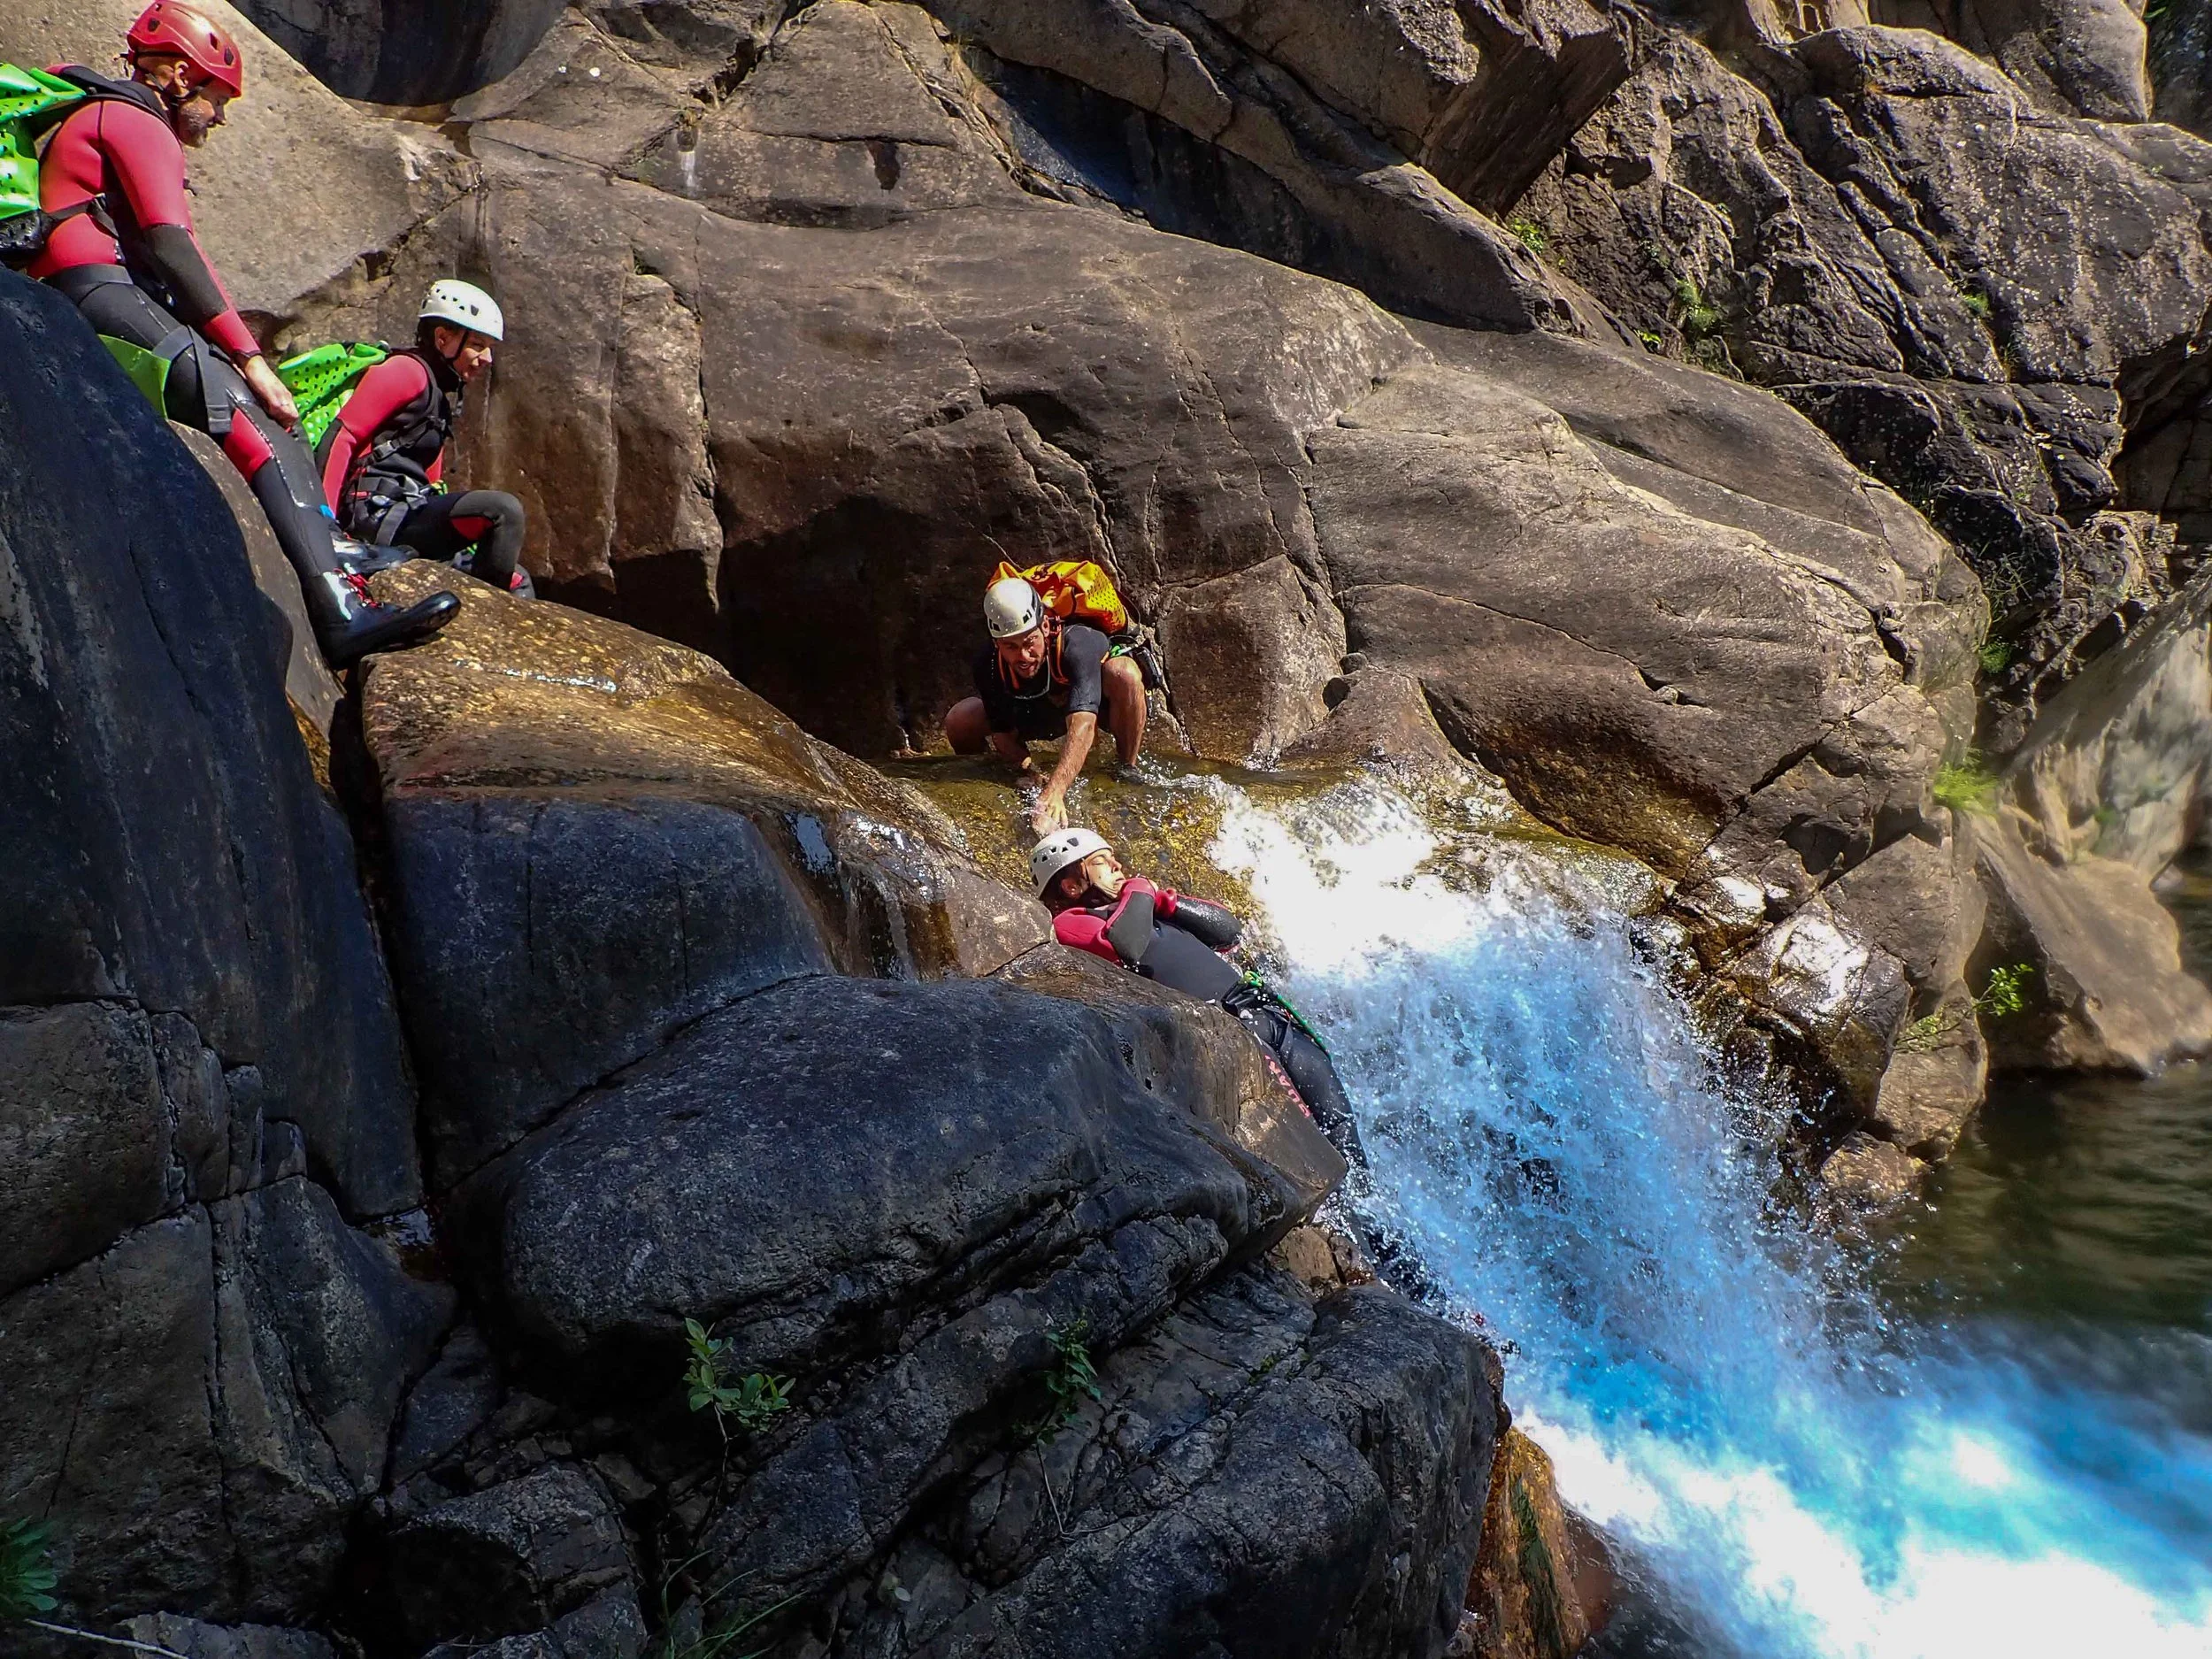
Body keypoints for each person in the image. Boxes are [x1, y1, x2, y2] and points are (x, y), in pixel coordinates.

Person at [28, 2, 455, 664]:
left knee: (276, 419)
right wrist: (250, 358)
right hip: (97, 294)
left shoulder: (115, 114)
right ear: (175, 73)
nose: (219, 118)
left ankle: (331, 546)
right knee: (250, 415)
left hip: (103, 292)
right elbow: (175, 247)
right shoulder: (137, 120)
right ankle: (339, 611)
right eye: (217, 98)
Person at [1031, 827, 1365, 1170]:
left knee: (1340, 1125)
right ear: (1071, 886)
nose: (1118, 866)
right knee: (1311, 1137)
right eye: (1102, 862)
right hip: (1230, 1033)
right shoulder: (1072, 923)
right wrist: (1141, 893)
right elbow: (1125, 946)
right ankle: (1331, 1216)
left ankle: (1370, 1211)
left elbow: (1229, 932)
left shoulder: (1142, 908)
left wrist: (1164, 901)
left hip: (1259, 1012)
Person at [317, 280, 533, 597]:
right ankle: (489, 615)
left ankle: (485, 630)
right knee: (503, 511)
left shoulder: (439, 399)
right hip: (376, 517)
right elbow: (342, 437)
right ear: (443, 338)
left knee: (519, 579)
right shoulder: (406, 371)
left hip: (409, 514)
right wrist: (323, 522)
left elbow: (430, 486)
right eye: (477, 343)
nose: (487, 358)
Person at [944, 576, 1148, 835]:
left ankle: (1125, 767)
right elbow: (1003, 733)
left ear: (1045, 627)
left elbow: (1083, 723)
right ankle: (992, 774)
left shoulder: (1077, 643)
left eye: (1030, 642)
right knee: (959, 720)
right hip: (1033, 713)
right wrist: (1033, 776)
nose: (1024, 656)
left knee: (1125, 674)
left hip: (1092, 707)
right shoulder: (988, 664)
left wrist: (1055, 791)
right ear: (997, 643)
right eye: (1011, 647)